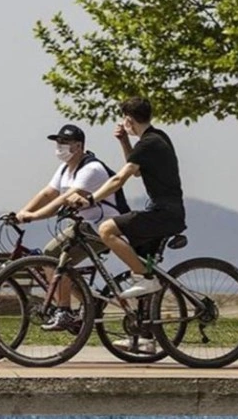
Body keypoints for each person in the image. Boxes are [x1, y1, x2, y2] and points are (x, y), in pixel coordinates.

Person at [68, 96, 186, 353]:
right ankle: (146, 338)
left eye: (125, 120)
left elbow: (120, 178)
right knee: (142, 264)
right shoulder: (157, 138)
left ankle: (144, 278)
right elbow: (139, 170)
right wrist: (124, 141)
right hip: (167, 212)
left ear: (129, 120)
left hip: (163, 213)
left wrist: (90, 198)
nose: (123, 123)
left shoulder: (148, 143)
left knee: (107, 229)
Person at [15, 124, 122, 331]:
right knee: (58, 262)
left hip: (104, 226)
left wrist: (34, 216)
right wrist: (21, 212)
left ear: (79, 146)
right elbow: (48, 193)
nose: (59, 147)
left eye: (64, 143)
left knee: (52, 255)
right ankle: (87, 304)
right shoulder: (65, 168)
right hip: (84, 226)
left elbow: (65, 198)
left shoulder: (91, 169)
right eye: (58, 142)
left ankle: (64, 311)